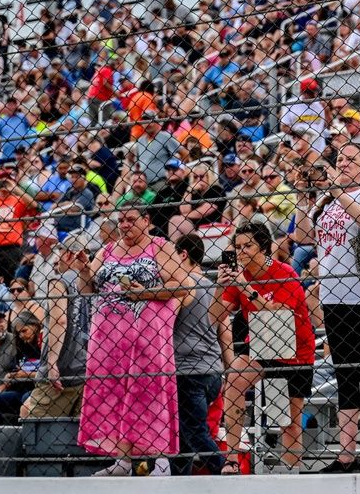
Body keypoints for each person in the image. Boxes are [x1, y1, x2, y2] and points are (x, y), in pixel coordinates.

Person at [298, 142, 360, 472]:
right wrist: (303, 195)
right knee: (345, 374)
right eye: (340, 159)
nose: (345, 163)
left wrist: (340, 191)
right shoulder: (327, 200)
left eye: (352, 159)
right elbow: (303, 235)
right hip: (333, 296)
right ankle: (346, 454)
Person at [79, 204, 184, 476]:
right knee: (113, 394)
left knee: (149, 393)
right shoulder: (107, 250)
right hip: (107, 338)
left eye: (131, 220)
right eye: (121, 220)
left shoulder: (160, 246)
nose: (125, 225)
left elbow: (183, 285)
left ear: (146, 220)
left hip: (147, 336)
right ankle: (123, 462)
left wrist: (145, 293)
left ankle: (161, 461)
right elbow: (87, 289)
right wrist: (82, 270)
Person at [212, 222, 315, 474]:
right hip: (261, 347)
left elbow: (280, 315)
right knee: (234, 380)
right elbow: (214, 318)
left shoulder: (284, 272)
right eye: (237, 247)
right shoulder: (238, 276)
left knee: (287, 423)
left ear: (264, 249)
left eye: (248, 246)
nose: (241, 251)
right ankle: (233, 458)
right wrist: (221, 285)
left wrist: (246, 289)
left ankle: (292, 474)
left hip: (292, 350)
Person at [171, 233, 230, 476]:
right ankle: (179, 482)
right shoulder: (213, 287)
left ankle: (226, 468)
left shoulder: (182, 287)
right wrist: (228, 369)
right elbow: (225, 333)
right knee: (184, 435)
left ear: (183, 254)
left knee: (194, 432)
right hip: (212, 369)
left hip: (187, 370)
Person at [21, 233, 92, 420]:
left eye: (58, 252)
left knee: (32, 421)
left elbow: (59, 320)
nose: (56, 259)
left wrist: (52, 362)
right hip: (89, 367)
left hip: (63, 367)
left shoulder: (59, 282)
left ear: (67, 254)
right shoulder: (91, 281)